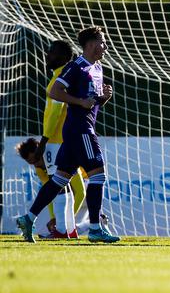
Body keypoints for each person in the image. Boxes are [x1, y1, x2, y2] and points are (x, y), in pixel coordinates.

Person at [16, 26, 119, 243]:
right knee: (98, 175)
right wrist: (80, 101)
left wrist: (103, 98)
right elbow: (55, 92)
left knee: (58, 180)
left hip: (77, 131)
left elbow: (91, 101)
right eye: (102, 42)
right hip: (81, 130)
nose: (105, 46)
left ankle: (28, 218)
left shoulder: (97, 68)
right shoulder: (76, 67)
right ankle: (95, 228)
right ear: (90, 45)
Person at [30, 40, 87, 239]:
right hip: (70, 139)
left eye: (51, 53)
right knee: (77, 189)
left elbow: (55, 111)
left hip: (55, 141)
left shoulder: (59, 79)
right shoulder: (71, 75)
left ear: (62, 57)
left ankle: (61, 229)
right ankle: (68, 229)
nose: (47, 55)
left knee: (59, 186)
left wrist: (43, 141)